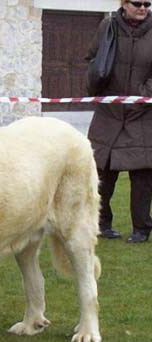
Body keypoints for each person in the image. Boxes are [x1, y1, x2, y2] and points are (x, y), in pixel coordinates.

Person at [86, 0, 152, 243]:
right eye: (137, 3)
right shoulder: (107, 26)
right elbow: (92, 59)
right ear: (124, 4)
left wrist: (141, 97)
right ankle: (102, 223)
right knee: (102, 172)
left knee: (143, 176)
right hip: (110, 111)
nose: (143, 7)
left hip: (143, 113)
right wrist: (96, 85)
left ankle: (142, 229)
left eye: (147, 3)